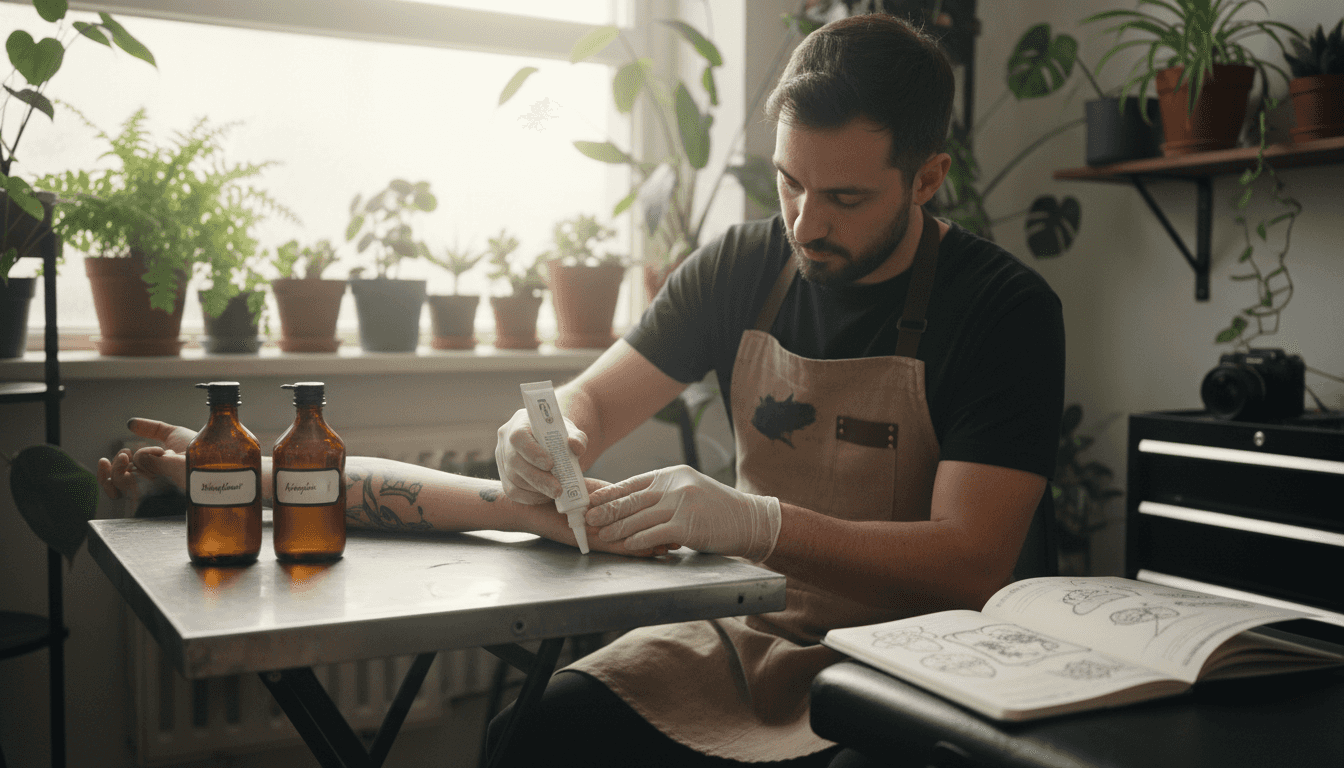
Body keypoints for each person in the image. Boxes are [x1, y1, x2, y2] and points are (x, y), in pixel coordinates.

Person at [489, 12, 1065, 768]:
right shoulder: (741, 267)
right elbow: (595, 402)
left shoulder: (1004, 310)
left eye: (846, 199)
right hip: (752, 632)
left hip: (928, 657)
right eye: (790, 183)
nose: (807, 222)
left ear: (927, 179)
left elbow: (970, 561)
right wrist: (548, 430)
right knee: (535, 732)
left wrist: (759, 526)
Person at [97, 418, 670, 558]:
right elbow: (584, 401)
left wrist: (762, 525)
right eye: (768, 169)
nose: (769, 181)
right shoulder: (727, 271)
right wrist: (238, 472)